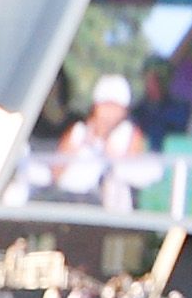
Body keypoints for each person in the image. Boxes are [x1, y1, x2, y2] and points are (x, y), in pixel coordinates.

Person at [54, 76, 151, 209]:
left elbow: (134, 170)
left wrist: (111, 153)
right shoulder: (78, 131)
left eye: (115, 106)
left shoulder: (130, 134)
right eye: (105, 105)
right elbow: (56, 170)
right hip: (68, 200)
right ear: (96, 106)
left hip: (107, 205)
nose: (109, 112)